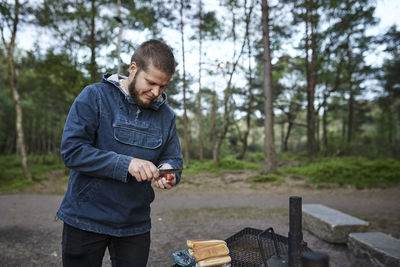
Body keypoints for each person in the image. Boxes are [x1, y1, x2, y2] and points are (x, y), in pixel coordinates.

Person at [57, 39, 183, 267]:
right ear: (133, 68)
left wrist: (169, 171)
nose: (156, 92)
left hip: (134, 225)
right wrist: (126, 164)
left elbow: (172, 158)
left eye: (163, 86)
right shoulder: (94, 96)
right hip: (85, 218)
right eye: (151, 83)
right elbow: (72, 151)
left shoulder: (167, 116)